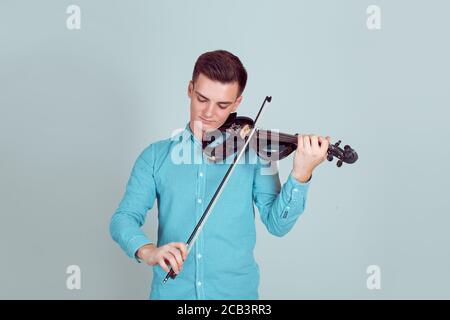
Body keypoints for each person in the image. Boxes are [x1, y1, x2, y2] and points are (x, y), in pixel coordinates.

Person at [109, 49, 330, 299]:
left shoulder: (256, 152)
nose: (209, 113)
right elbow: (123, 218)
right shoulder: (155, 157)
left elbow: (277, 225)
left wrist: (301, 175)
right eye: (202, 99)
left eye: (222, 105)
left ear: (237, 104)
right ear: (190, 90)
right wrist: (149, 251)